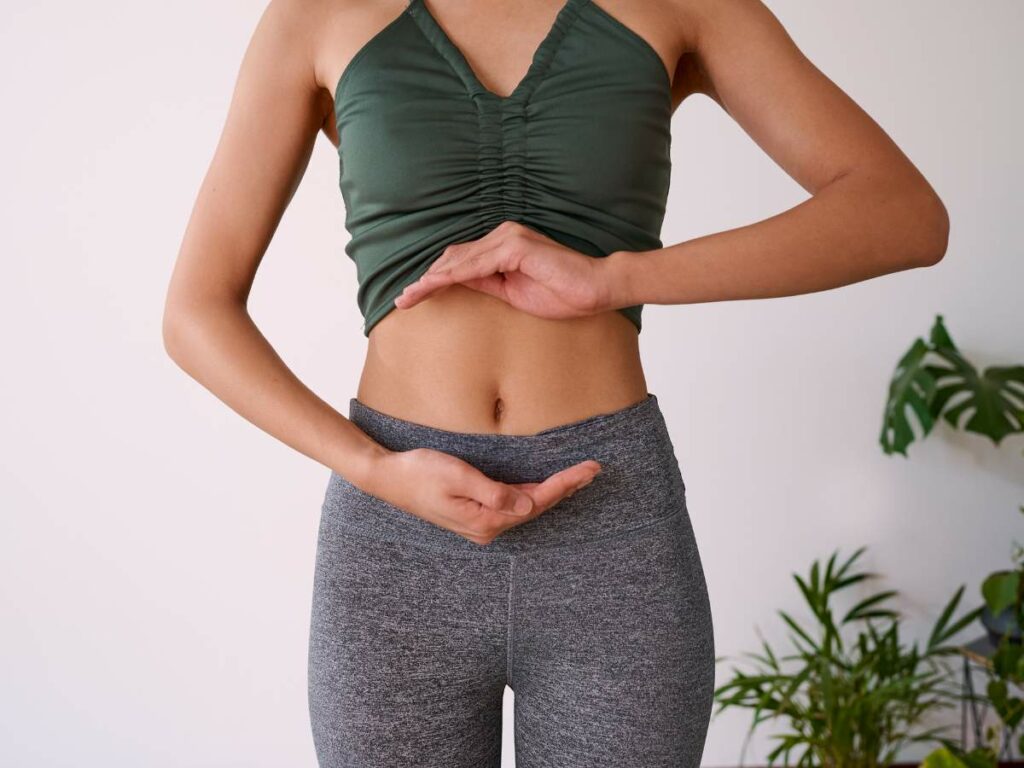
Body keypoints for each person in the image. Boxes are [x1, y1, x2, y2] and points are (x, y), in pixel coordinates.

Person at [162, 0, 949, 765]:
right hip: (395, 540)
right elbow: (195, 311)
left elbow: (903, 214)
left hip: (612, 526)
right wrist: (373, 470)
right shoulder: (314, 15)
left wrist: (617, 279)